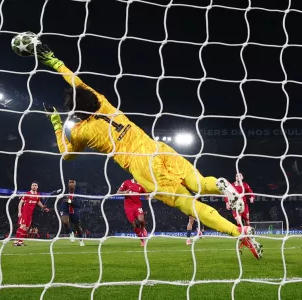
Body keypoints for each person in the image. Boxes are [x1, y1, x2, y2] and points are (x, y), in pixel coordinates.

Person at [15, 36, 262, 259]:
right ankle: (220, 185)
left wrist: (57, 124)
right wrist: (50, 58)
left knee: (189, 205)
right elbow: (72, 78)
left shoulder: (80, 131)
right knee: (200, 183)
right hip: (157, 146)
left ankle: (238, 231)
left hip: (141, 164)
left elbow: (67, 155)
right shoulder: (102, 102)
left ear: (75, 111)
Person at [50, 180, 85, 246]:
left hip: (74, 210)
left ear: (75, 185)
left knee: (77, 226)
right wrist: (58, 195)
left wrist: (68, 200)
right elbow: (52, 194)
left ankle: (81, 240)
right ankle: (71, 233)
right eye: (70, 183)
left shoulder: (78, 193)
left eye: (73, 183)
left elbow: (77, 204)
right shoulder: (63, 191)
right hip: (65, 209)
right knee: (65, 221)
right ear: (68, 184)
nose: (71, 184)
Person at [14, 181, 49, 246]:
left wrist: (44, 208)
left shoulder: (37, 194)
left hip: (30, 214)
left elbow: (38, 202)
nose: (34, 186)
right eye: (33, 185)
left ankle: (20, 242)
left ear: (37, 187)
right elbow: (20, 203)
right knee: (22, 226)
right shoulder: (27, 193)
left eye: (35, 185)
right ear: (31, 186)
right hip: (24, 212)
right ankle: (15, 241)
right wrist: (19, 212)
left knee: (27, 228)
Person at [117, 179, 147, 246]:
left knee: (141, 220)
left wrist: (152, 197)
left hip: (137, 205)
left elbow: (146, 196)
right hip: (128, 207)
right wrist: (124, 192)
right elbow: (118, 192)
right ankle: (142, 240)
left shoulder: (142, 184)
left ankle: (143, 228)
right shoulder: (126, 182)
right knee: (134, 225)